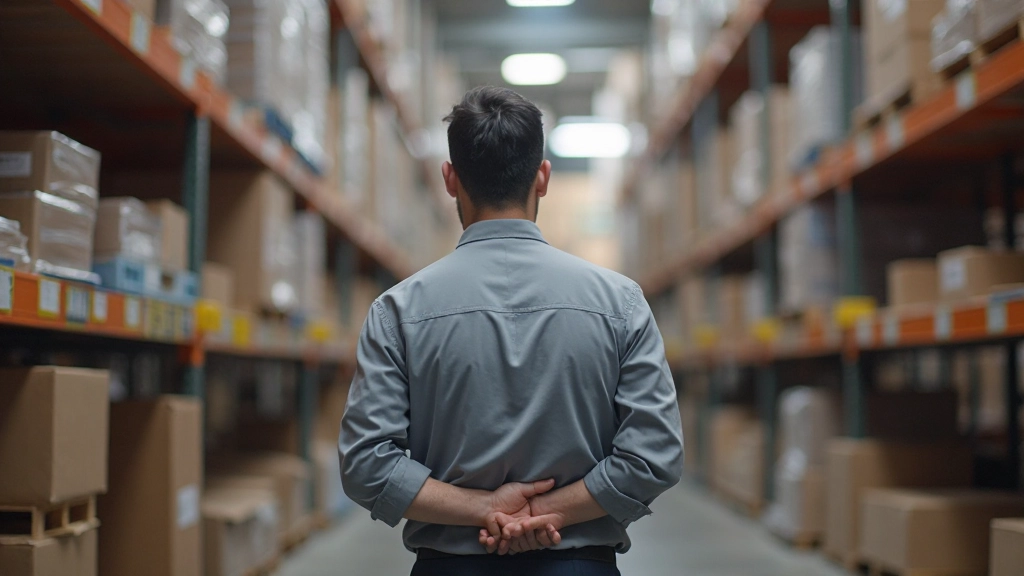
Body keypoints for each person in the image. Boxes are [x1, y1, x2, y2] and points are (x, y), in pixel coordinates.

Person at [339, 86, 684, 576]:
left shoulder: (397, 310)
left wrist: (487, 509)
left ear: (450, 180)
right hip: (580, 564)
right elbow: (654, 456)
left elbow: (367, 465)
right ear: (542, 178)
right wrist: (547, 511)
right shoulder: (620, 303)